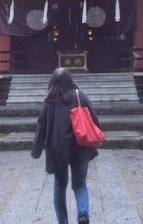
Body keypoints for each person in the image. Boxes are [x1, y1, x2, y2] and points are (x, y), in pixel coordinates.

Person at [32, 68, 100, 224]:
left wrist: (36, 150)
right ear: (70, 80)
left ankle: (63, 221)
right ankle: (82, 213)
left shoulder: (49, 101)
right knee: (80, 184)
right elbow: (95, 120)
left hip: (58, 148)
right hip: (81, 146)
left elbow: (41, 126)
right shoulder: (80, 96)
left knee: (60, 184)